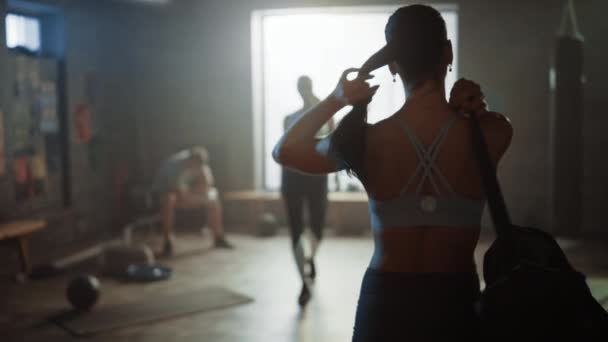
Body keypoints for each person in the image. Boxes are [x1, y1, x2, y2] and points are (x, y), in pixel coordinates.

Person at [273, 4, 512, 341]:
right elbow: (490, 119)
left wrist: (337, 98)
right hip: (456, 300)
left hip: (386, 301)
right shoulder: (492, 132)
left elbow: (284, 150)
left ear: (394, 67)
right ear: (447, 53)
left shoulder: (364, 139)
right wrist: (475, 106)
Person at [281, 76, 335, 307]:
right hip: (292, 176)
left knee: (317, 227)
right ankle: (303, 282)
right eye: (301, 88)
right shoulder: (289, 118)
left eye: (306, 87)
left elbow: (330, 139)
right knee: (295, 227)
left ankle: (309, 258)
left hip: (316, 175)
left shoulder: (325, 114)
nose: (304, 91)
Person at [152, 146, 233, 256]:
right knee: (168, 200)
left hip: (186, 192)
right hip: (166, 192)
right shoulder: (173, 166)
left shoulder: (201, 165)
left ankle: (218, 237)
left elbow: (208, 185)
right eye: (194, 166)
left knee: (213, 198)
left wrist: (199, 193)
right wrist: (193, 197)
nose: (195, 169)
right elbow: (177, 193)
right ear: (189, 161)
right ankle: (167, 242)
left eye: (198, 167)